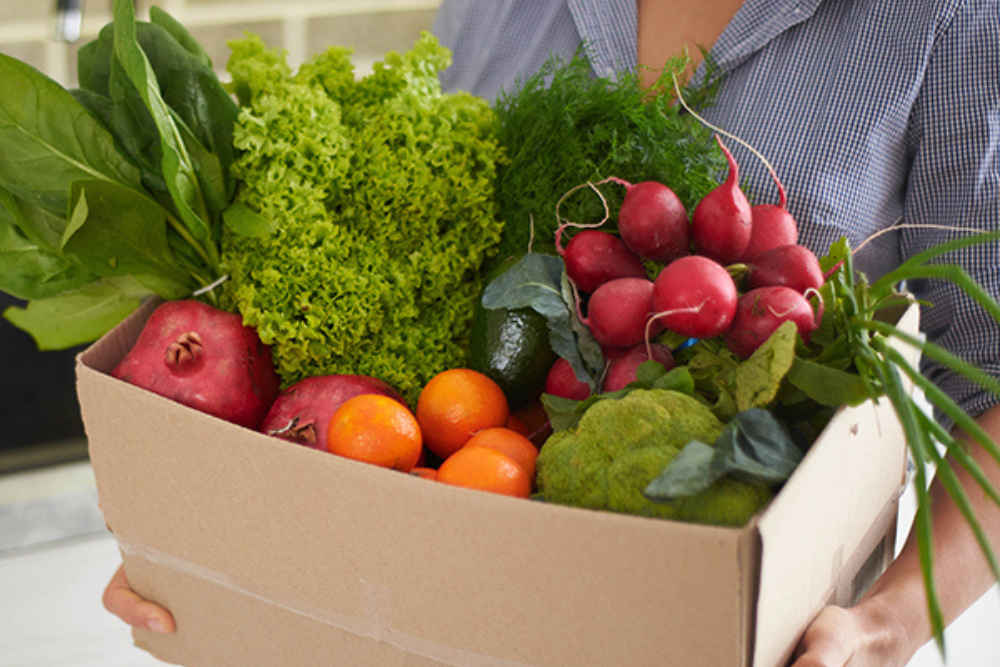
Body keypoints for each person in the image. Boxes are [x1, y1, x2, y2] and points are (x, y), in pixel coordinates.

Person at [104, 1, 1000, 665]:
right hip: (430, 593)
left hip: (720, 624)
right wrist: (198, 544)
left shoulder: (947, 20)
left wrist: (880, 628)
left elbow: (991, 383)